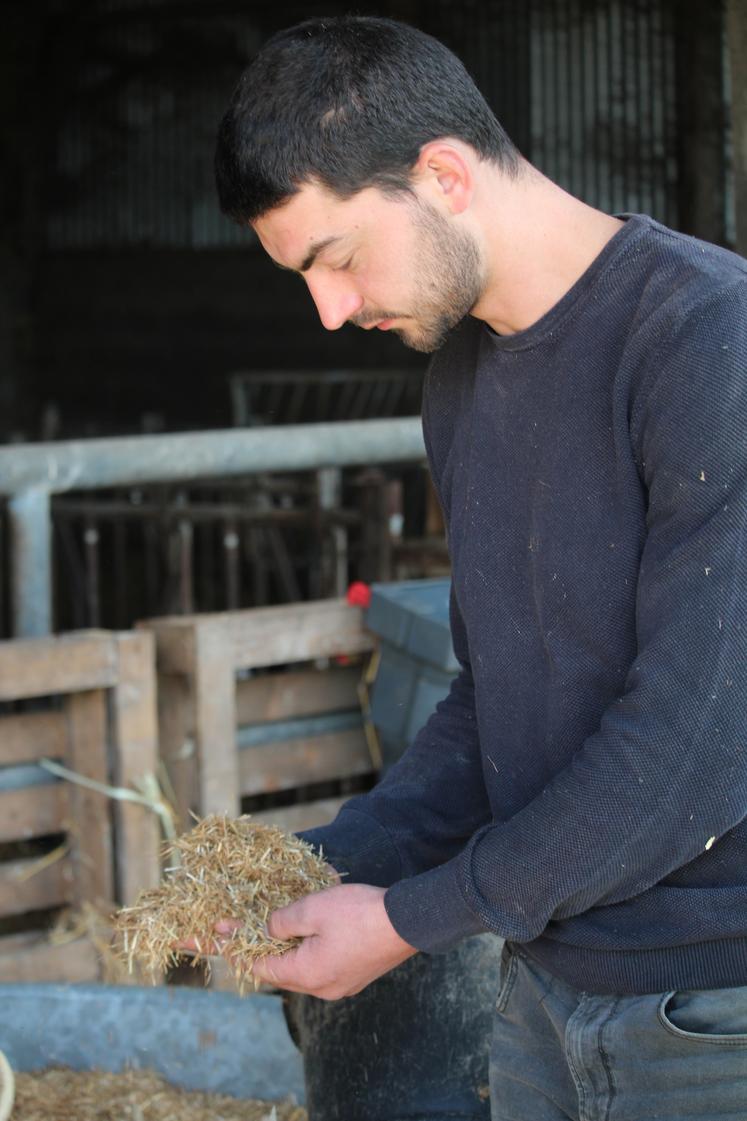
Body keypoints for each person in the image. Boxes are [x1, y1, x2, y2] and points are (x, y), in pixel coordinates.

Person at [209, 15, 747, 1119]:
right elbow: (490, 695)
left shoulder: (708, 340)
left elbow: (694, 744)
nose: (330, 309)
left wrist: (412, 917)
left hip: (707, 1006)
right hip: (543, 987)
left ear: (445, 174)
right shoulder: (460, 373)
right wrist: (328, 861)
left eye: (338, 258)